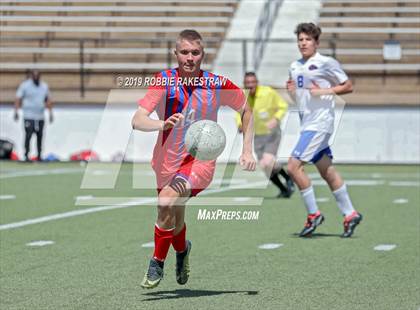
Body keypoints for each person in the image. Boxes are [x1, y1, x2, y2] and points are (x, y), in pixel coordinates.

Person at [131, 29, 256, 289]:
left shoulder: (216, 84)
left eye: (195, 52)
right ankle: (182, 250)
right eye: (184, 52)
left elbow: (246, 109)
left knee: (166, 201)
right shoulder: (163, 81)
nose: (190, 58)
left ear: (203, 55)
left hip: (200, 162)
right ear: (175, 54)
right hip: (165, 161)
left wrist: (246, 149)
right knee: (173, 213)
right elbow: (138, 119)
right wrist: (161, 124)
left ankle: (157, 262)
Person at [286, 23, 362, 238]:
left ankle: (313, 214)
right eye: (300, 39)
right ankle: (350, 214)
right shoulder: (294, 66)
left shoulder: (326, 62)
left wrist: (325, 90)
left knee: (292, 167)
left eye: (308, 39)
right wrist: (293, 93)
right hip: (307, 124)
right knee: (327, 171)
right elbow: (302, 98)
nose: (303, 43)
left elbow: (348, 85)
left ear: (316, 42)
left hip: (319, 124)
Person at [236, 72, 294, 198]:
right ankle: (284, 189)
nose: (250, 85)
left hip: (272, 134)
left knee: (267, 161)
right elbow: (238, 113)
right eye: (247, 83)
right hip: (257, 136)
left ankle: (289, 178)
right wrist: (240, 124)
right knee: (265, 166)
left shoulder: (268, 92)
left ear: (257, 83)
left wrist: (276, 119)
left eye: (253, 82)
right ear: (244, 84)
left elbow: (283, 106)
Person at [14, 70, 53, 162]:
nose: (36, 77)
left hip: (40, 116)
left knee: (40, 136)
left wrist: (50, 113)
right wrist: (16, 111)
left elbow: (48, 99)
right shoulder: (25, 86)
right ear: (31, 76)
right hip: (29, 115)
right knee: (28, 135)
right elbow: (18, 98)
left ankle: (39, 155)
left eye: (38, 76)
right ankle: (26, 155)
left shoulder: (44, 86)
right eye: (34, 76)